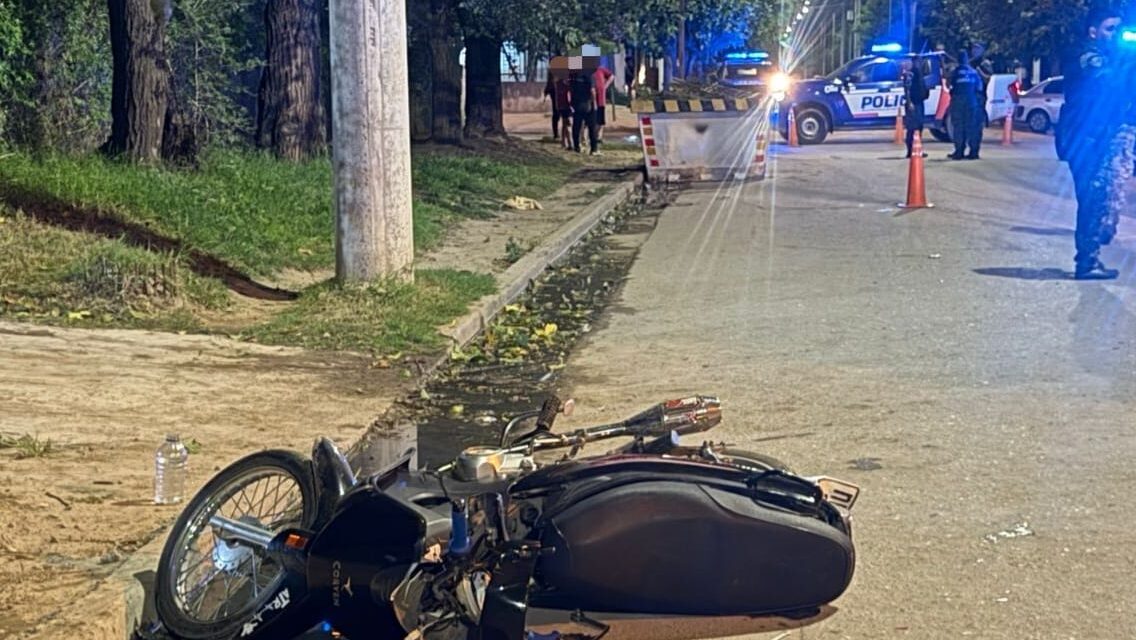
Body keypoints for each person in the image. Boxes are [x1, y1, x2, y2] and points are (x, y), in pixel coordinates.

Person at [1058, 6, 1136, 279]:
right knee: (1092, 197)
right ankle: (1087, 262)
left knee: (1094, 198)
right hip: (1084, 138)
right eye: (1110, 29)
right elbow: (1105, 83)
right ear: (1094, 31)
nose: (1115, 36)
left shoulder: (1115, 58)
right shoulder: (1085, 55)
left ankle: (1089, 257)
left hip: (1099, 135)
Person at [947, 50, 982, 160]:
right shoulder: (974, 72)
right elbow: (979, 87)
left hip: (958, 101)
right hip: (972, 102)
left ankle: (959, 152)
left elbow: (949, 86)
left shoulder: (955, 72)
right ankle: (973, 152)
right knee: (972, 127)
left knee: (958, 127)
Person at [902, 56, 929, 158]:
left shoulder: (919, 73)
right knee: (912, 127)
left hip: (920, 103)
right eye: (918, 61)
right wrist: (909, 103)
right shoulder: (911, 74)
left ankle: (917, 149)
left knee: (919, 126)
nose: (920, 63)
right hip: (913, 103)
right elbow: (907, 89)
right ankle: (910, 151)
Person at [568, 67, 599, 155]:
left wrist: (571, 102)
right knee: (592, 127)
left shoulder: (573, 75)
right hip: (587, 104)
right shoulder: (589, 74)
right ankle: (594, 149)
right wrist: (594, 103)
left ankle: (577, 147)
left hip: (576, 104)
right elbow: (592, 91)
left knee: (576, 126)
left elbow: (570, 89)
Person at [591, 60, 615, 152]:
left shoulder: (601, 70)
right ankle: (592, 137)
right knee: (592, 120)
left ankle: (599, 137)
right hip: (592, 101)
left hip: (601, 100)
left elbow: (612, 76)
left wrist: (606, 85)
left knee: (601, 121)